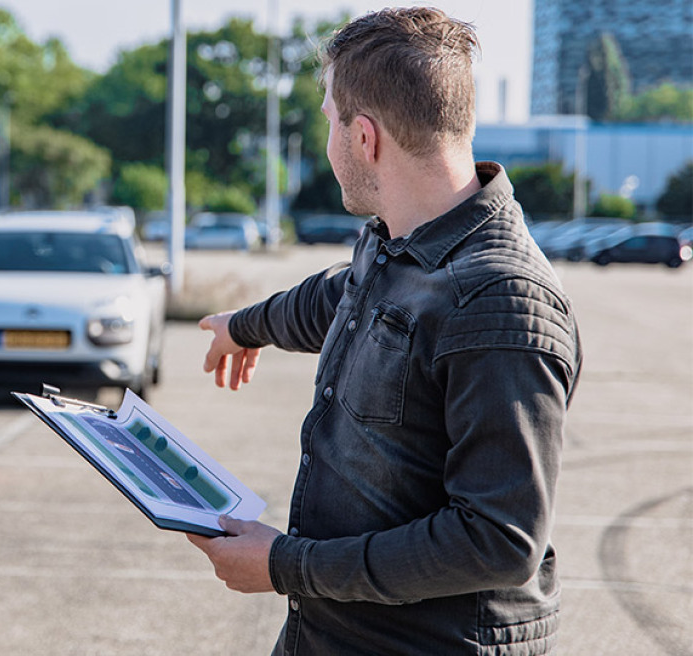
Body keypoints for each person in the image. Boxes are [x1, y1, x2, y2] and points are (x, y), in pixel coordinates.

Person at [188, 7, 582, 655]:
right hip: (335, 630)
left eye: (328, 124)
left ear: (364, 138)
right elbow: (338, 296)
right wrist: (244, 325)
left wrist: (284, 565)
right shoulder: (398, 241)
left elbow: (498, 539)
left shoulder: (502, 301)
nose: (327, 143)